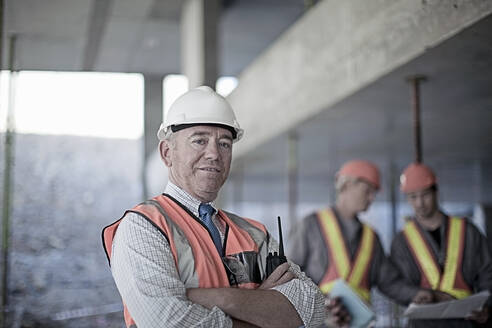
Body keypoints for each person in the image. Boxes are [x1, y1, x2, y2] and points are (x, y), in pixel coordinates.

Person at [102, 86, 325, 328]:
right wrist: (263, 307)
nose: (214, 154)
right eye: (199, 140)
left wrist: (218, 297)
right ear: (167, 153)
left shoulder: (254, 234)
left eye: (224, 144)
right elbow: (167, 322)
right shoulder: (144, 227)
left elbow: (313, 309)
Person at [289, 160, 432, 327]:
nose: (371, 199)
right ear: (347, 185)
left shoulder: (372, 238)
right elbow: (289, 277)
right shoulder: (311, 226)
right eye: (367, 191)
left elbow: (388, 282)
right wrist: (320, 304)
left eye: (374, 193)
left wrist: (415, 294)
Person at [390, 162, 492, 327]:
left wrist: (486, 306)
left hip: (465, 320)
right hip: (422, 323)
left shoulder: (467, 231)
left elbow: (487, 273)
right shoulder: (401, 242)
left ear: (436, 192)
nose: (420, 203)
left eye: (425, 195)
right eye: (413, 197)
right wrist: (419, 295)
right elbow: (398, 285)